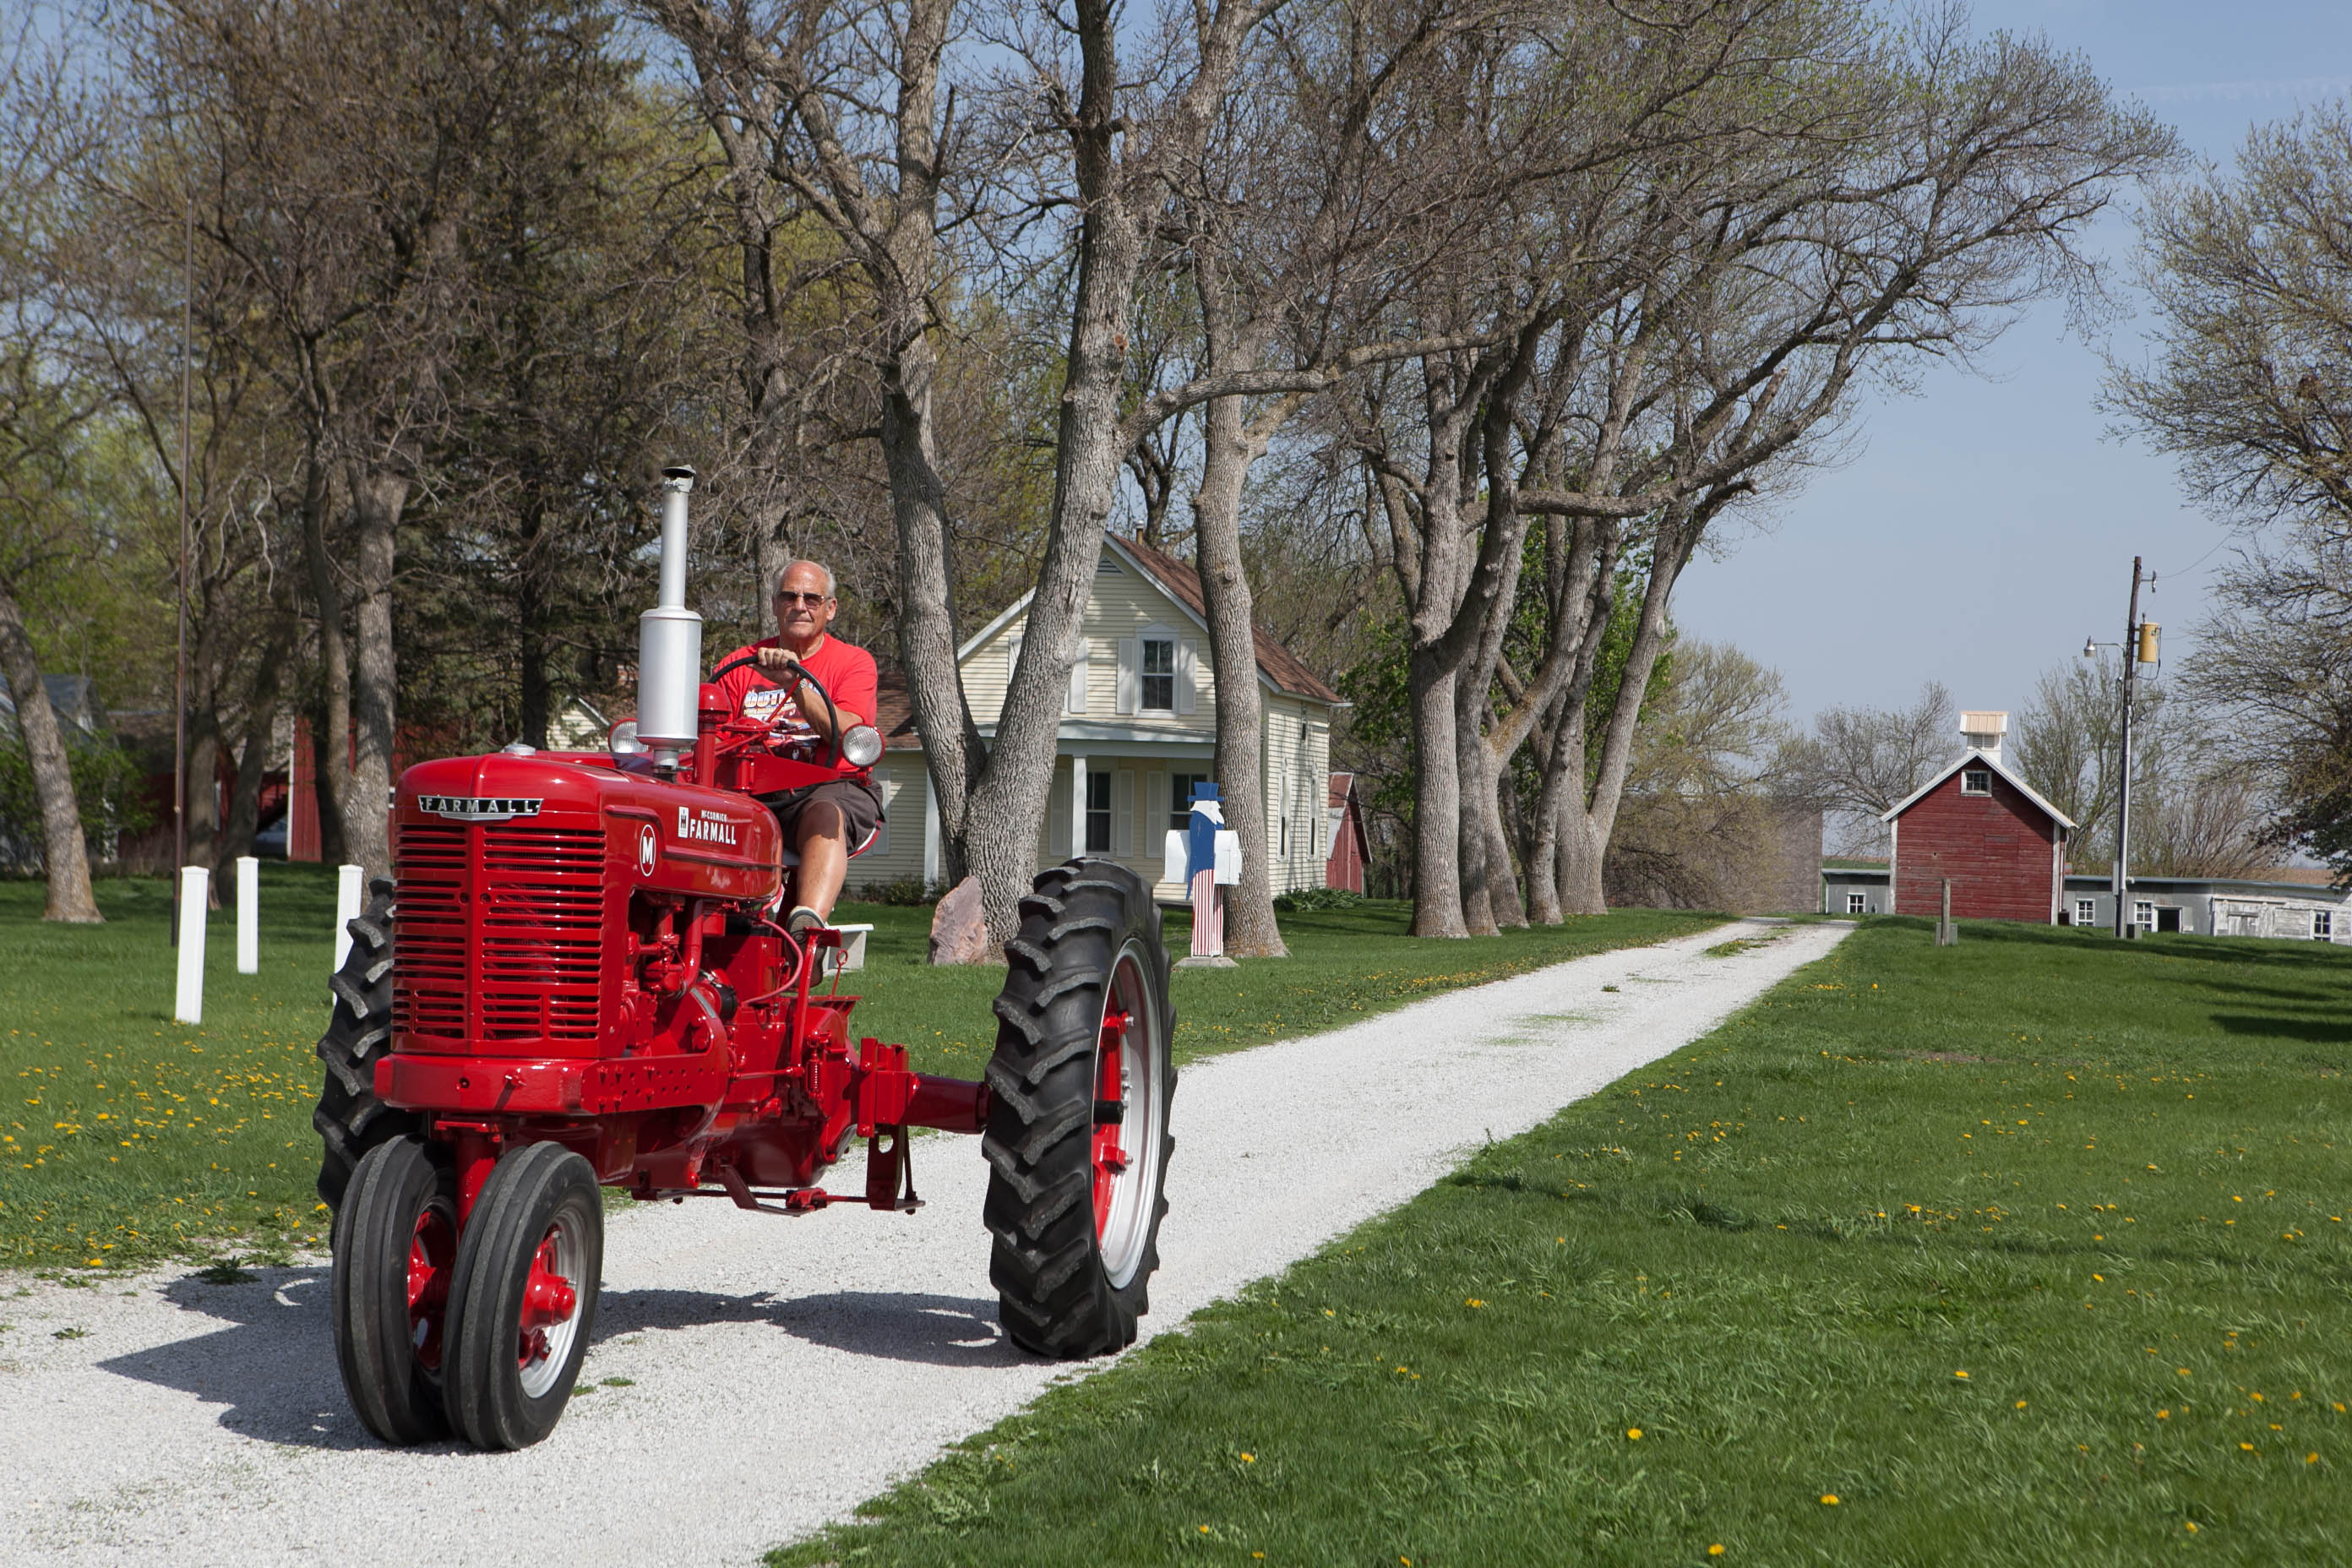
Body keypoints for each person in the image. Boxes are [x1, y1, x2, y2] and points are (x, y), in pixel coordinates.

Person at [709, 559, 882, 934]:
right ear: (774, 604)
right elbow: (711, 742)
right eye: (789, 596)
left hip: (828, 785)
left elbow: (849, 732)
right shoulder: (739, 664)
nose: (799, 605)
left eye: (812, 598)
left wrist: (796, 683)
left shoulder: (853, 663)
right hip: (752, 791)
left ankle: (809, 926)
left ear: (830, 608)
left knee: (826, 811)